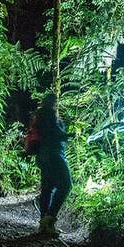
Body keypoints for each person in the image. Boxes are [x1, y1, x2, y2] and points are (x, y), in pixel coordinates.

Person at [29, 92, 72, 236]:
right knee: (66, 185)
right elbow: (54, 134)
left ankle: (44, 226)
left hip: (43, 156)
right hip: (53, 156)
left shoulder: (39, 115)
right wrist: (67, 135)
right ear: (53, 102)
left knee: (48, 188)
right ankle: (49, 218)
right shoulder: (49, 115)